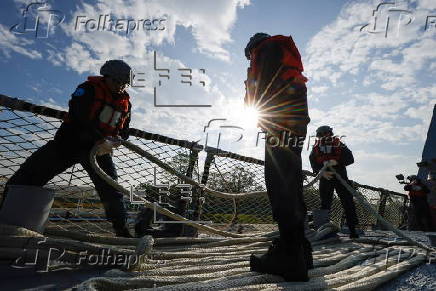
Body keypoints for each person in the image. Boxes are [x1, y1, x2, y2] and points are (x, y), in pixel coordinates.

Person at [1, 60, 133, 237]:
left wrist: (116, 140)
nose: (120, 86)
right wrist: (101, 139)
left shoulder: (126, 104)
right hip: (67, 144)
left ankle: (122, 230)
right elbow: (79, 117)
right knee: (25, 178)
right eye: (116, 81)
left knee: (112, 190)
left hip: (99, 151)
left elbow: (124, 131)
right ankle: (4, 217)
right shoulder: (88, 89)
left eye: (124, 83)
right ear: (106, 77)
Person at [244, 33, 312, 282]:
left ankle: (290, 257)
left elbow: (262, 91)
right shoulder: (280, 53)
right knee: (291, 185)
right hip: (294, 124)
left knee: (280, 186)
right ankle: (302, 251)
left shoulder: (266, 50)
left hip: (279, 124)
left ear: (252, 48)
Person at [309, 125, 359, 238]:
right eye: (321, 135)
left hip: (341, 178)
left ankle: (353, 230)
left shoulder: (339, 144)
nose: (324, 137)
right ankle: (323, 231)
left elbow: (350, 158)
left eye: (326, 134)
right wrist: (321, 172)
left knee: (348, 203)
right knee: (325, 204)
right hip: (326, 178)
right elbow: (313, 162)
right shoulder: (316, 147)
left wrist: (337, 162)